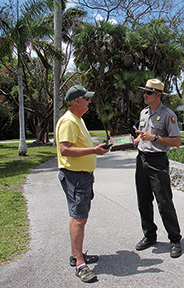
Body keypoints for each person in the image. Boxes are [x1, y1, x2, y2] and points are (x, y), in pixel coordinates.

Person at [56, 85, 109, 282]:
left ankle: (74, 254)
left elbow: (79, 148)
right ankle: (80, 263)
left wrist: (90, 170)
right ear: (77, 101)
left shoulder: (78, 120)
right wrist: (94, 151)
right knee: (78, 217)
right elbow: (65, 150)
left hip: (82, 175)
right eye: (86, 98)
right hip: (75, 177)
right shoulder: (69, 122)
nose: (89, 101)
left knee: (79, 216)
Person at [133, 78, 183, 258]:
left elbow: (176, 141)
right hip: (142, 160)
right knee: (143, 201)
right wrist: (134, 140)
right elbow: (140, 138)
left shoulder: (169, 115)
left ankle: (175, 239)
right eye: (144, 92)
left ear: (158, 95)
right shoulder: (144, 113)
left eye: (148, 93)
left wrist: (154, 138)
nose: (144, 95)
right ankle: (149, 235)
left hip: (158, 162)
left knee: (164, 202)